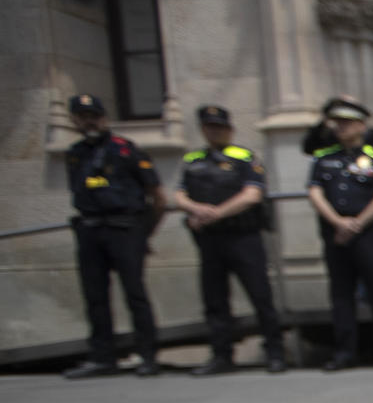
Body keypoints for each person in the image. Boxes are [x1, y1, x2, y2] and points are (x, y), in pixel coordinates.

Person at [61, 93, 165, 379]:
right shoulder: (75, 154)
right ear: (74, 121)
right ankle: (102, 357)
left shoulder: (125, 150)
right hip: (90, 230)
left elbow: (157, 197)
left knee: (135, 294)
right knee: (95, 296)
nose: (89, 121)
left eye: (94, 115)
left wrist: (144, 233)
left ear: (104, 118)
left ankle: (147, 355)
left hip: (125, 228)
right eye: (82, 117)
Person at [175, 104, 284, 376]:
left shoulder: (244, 157)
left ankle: (275, 353)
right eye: (210, 127)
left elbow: (252, 195)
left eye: (220, 127)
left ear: (230, 129)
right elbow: (179, 195)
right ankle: (221, 355)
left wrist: (216, 213)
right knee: (214, 300)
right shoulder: (192, 160)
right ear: (202, 129)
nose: (215, 131)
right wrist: (195, 210)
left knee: (261, 296)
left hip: (243, 236)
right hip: (210, 240)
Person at [306, 98, 373, 371]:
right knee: (340, 294)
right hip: (334, 234)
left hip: (369, 234)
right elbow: (315, 192)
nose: (341, 128)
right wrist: (338, 223)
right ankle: (345, 352)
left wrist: (356, 224)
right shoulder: (324, 157)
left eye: (347, 123)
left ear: (361, 125)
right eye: (337, 123)